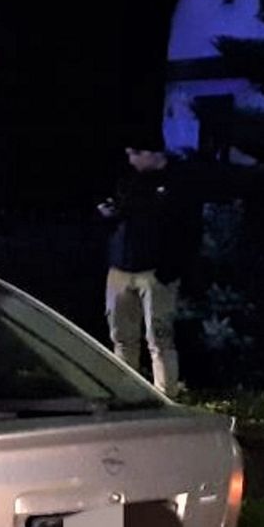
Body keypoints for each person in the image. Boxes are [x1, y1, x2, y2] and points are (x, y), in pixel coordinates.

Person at [98, 140, 199, 395]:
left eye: (135, 154)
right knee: (122, 338)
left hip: (155, 274)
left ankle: (165, 396)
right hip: (121, 270)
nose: (130, 159)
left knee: (159, 339)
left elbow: (188, 232)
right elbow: (119, 217)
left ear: (153, 155)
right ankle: (125, 395)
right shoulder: (129, 180)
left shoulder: (178, 184)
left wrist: (169, 270)